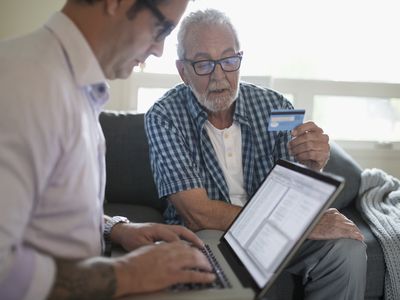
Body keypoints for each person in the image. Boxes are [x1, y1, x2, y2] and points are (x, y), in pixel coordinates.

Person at [0, 1, 218, 299]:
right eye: (161, 28)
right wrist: (128, 274)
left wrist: (113, 228)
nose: (159, 50)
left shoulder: (72, 84)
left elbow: (47, 209)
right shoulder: (23, 86)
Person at [145, 8, 367, 300]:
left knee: (345, 250)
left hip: (277, 232)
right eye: (203, 64)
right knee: (216, 264)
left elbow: (297, 191)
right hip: (211, 233)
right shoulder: (164, 116)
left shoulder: (274, 105)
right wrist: (307, 225)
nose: (219, 75)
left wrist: (313, 167)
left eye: (229, 60)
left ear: (240, 59)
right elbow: (197, 213)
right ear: (183, 70)